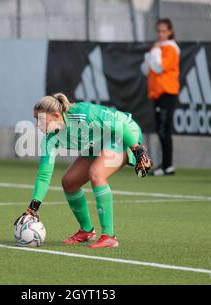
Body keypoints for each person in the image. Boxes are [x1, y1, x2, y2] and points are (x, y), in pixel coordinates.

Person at [15, 93, 152, 248]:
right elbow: (44, 175)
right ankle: (87, 231)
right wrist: (34, 206)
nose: (37, 124)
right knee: (69, 182)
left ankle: (109, 236)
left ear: (55, 115)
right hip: (100, 140)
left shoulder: (84, 113)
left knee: (97, 173)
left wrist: (137, 149)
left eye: (40, 119)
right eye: (35, 119)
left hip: (124, 132)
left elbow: (118, 126)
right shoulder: (50, 140)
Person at [141, 18, 180, 176]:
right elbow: (145, 69)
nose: (161, 34)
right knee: (161, 130)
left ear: (170, 31)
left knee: (164, 130)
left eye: (164, 31)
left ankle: (168, 166)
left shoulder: (170, 48)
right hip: (157, 93)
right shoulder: (158, 47)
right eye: (158, 31)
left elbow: (158, 68)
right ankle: (165, 165)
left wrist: (154, 52)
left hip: (167, 92)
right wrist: (152, 53)